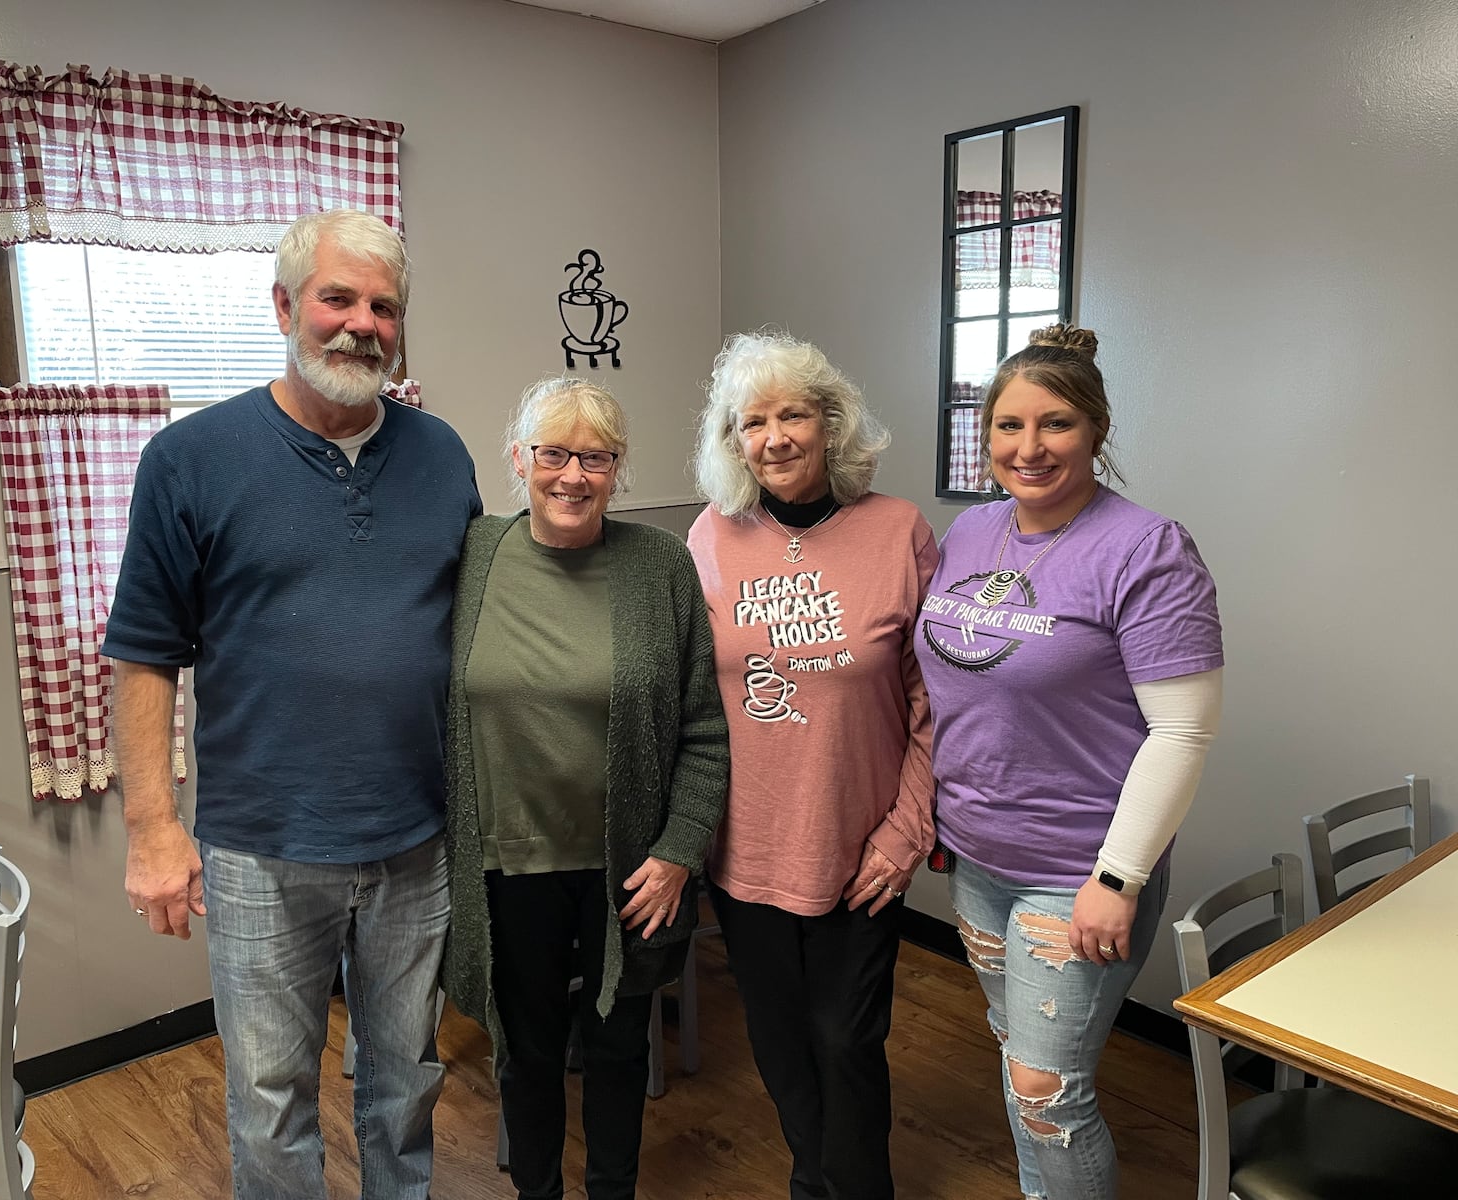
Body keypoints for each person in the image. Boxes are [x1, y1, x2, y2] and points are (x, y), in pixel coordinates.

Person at [103, 209, 481, 1199]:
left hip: (416, 844)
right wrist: (152, 830)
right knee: (270, 1103)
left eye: (383, 306)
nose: (360, 324)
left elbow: (476, 633)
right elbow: (144, 656)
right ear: (285, 307)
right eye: (338, 298)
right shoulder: (190, 459)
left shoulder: (443, 457)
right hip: (262, 849)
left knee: (404, 1088)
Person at [913, 325, 1222, 1200]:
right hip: (977, 858)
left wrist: (1117, 880)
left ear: (1095, 429)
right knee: (1022, 1062)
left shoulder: (1146, 549)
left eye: (1055, 425)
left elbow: (1182, 734)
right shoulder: (969, 533)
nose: (1030, 447)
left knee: (1047, 1092)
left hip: (1080, 869)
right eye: (1008, 426)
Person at [443, 376, 729, 1200]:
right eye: (553, 453)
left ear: (618, 468)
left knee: (616, 1051)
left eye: (595, 458)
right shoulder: (474, 557)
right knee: (524, 1053)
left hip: (629, 871)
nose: (572, 475)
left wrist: (678, 853)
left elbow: (705, 732)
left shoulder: (660, 567)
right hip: (506, 865)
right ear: (519, 460)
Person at [686, 331, 938, 1200]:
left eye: (793, 413)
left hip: (860, 848)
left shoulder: (899, 530)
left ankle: (854, 1188)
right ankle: (811, 1177)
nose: (776, 437)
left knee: (846, 1041)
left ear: (831, 424)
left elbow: (933, 702)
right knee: (780, 1041)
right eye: (751, 422)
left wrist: (905, 834)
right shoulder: (710, 536)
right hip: (744, 848)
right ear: (733, 443)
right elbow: (687, 695)